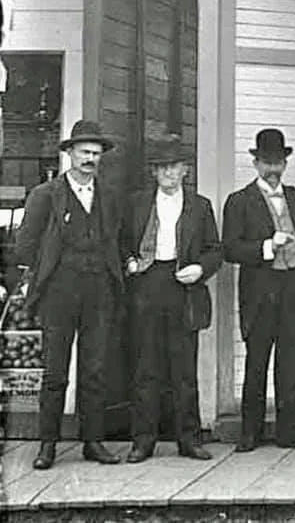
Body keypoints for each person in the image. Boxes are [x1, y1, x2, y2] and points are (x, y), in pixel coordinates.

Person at [14, 120, 125, 470]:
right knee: (55, 371)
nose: (90, 159)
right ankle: (48, 444)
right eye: (84, 153)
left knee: (94, 369)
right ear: (70, 154)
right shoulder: (45, 195)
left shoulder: (109, 195)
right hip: (59, 293)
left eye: (96, 154)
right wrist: (48, 275)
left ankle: (92, 441)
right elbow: (25, 247)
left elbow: (117, 242)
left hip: (99, 292)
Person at [222, 128, 295, 451]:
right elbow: (230, 249)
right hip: (259, 293)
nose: (273, 169)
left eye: (278, 163)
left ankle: (289, 431)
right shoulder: (239, 201)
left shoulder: (294, 196)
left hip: (292, 291)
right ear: (255, 164)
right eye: (267, 162)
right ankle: (249, 433)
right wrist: (268, 246)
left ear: (285, 164)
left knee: (291, 363)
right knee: (256, 363)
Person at [122, 135, 222, 462]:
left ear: (185, 171)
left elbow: (215, 251)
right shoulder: (136, 203)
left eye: (174, 167)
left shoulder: (200, 205)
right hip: (147, 285)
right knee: (146, 368)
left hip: (183, 287)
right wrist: (130, 262)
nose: (168, 172)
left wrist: (199, 269)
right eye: (162, 167)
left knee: (183, 368)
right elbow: (120, 243)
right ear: (154, 172)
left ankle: (189, 439)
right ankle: (143, 440)